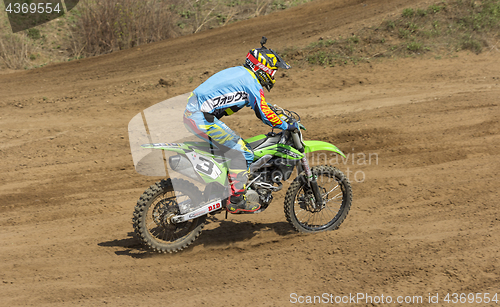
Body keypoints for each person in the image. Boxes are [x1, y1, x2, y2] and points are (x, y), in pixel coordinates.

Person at [183, 37, 298, 213]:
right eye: (273, 71)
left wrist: (271, 111)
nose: (273, 76)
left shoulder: (240, 73)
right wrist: (285, 126)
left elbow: (230, 105)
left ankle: (217, 190)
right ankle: (236, 198)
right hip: (200, 117)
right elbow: (264, 113)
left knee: (227, 150)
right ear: (264, 68)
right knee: (243, 150)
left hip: (195, 114)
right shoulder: (251, 82)